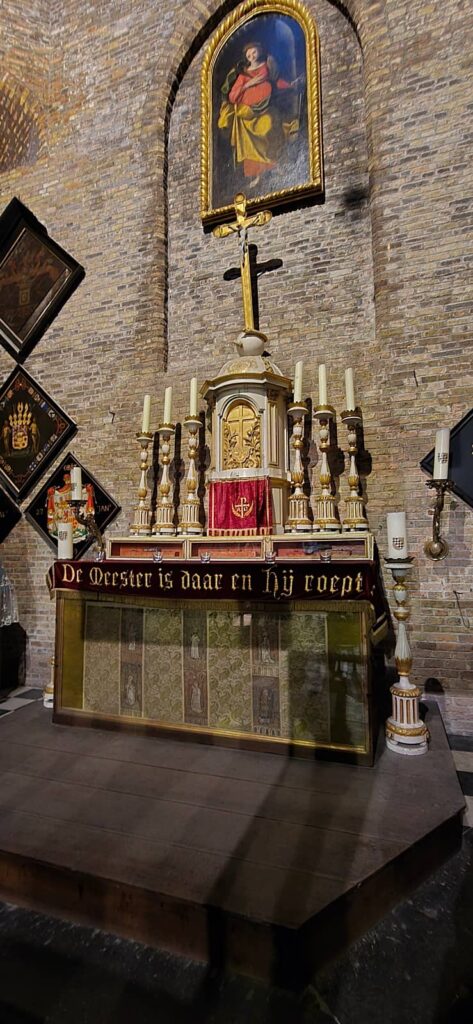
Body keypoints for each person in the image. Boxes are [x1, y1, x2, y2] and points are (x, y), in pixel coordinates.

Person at [218, 41, 302, 188]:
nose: (251, 56)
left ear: (259, 51)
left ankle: (275, 165)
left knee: (269, 125)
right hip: (246, 114)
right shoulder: (243, 74)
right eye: (248, 54)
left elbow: (276, 82)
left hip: (264, 109)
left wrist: (291, 85)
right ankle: (257, 175)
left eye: (254, 52)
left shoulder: (267, 67)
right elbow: (232, 96)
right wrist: (247, 85)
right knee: (249, 142)